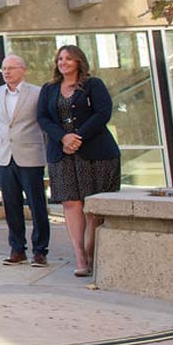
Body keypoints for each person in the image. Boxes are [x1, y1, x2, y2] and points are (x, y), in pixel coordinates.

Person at [36, 45, 121, 277]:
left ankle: (92, 251)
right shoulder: (49, 89)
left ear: (78, 62)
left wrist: (78, 137)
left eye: (69, 59)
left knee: (92, 207)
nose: (63, 62)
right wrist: (63, 137)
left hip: (96, 154)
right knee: (71, 204)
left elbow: (103, 113)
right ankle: (81, 258)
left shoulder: (93, 85)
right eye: (60, 59)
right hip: (62, 155)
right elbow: (42, 117)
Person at [0, 54, 49, 267]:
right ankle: (17, 249)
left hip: (30, 156)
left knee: (36, 204)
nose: (6, 72)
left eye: (11, 68)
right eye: (4, 68)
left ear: (23, 70)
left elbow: (44, 124)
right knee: (11, 204)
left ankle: (40, 251)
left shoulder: (38, 93)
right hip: (5, 156)